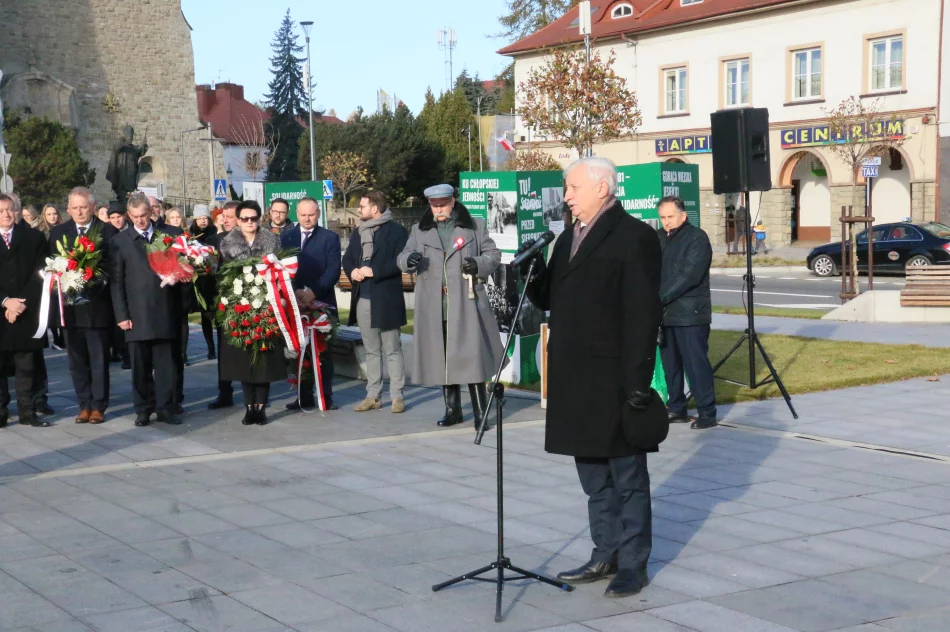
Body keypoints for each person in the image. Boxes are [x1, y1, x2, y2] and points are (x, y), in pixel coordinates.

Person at [524, 157, 665, 598]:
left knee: (627, 476)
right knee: (592, 476)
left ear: (602, 188)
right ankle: (604, 551)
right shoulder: (568, 236)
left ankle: (633, 564)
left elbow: (644, 314)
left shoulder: (635, 236)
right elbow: (551, 297)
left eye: (572, 188)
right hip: (573, 376)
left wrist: (639, 381)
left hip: (614, 377)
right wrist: (530, 271)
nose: (566, 196)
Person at [397, 184, 503, 431]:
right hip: (434, 305)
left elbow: (493, 255)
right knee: (443, 357)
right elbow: (402, 256)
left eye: (443, 204)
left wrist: (477, 263)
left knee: (472, 356)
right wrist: (407, 261)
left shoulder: (475, 226)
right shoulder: (419, 230)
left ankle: (480, 413)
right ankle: (453, 410)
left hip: (466, 303)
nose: (439, 209)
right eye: (434, 205)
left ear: (453, 201)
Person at [111, 193, 184, 427]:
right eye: (135, 217)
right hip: (137, 313)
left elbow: (186, 267)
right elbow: (117, 282)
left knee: (166, 366)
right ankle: (143, 409)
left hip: (164, 310)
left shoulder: (170, 236)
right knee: (140, 367)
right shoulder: (121, 241)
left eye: (143, 215)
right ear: (128, 216)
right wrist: (122, 315)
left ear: (151, 213)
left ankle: (165, 408)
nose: (140, 221)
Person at [49, 187, 118, 424]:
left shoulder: (107, 231)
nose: (79, 212)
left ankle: (98, 405)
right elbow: (52, 267)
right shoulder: (58, 233)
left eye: (83, 207)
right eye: (75, 208)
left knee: (98, 359)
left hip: (97, 306)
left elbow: (113, 267)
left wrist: (92, 278)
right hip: (69, 309)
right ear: (68, 209)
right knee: (76, 360)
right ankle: (84, 404)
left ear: (92, 207)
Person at [218, 201, 286, 425]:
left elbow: (280, 272)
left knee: (263, 358)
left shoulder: (272, 241)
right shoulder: (227, 244)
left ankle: (261, 406)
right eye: (245, 219)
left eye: (254, 218)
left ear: (260, 218)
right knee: (244, 359)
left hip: (266, 306)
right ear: (237, 220)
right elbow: (222, 276)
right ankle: (249, 406)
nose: (250, 222)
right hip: (239, 308)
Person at [342, 191, 408, 413]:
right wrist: (353, 272)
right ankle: (373, 395)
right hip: (363, 297)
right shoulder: (358, 232)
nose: (358, 210)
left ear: (375, 209)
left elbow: (400, 262)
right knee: (371, 350)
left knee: (392, 348)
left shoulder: (397, 231)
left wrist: (374, 271)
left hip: (386, 297)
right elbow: (348, 258)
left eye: (362, 206)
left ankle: (397, 396)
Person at [657, 196, 716, 430]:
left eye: (670, 216)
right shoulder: (659, 238)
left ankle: (707, 413)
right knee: (670, 365)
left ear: (683, 215)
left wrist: (658, 298)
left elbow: (689, 275)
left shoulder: (697, 238)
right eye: (662, 217)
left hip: (691, 314)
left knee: (695, 365)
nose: (667, 222)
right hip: (665, 314)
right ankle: (676, 408)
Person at [281, 197, 341, 411]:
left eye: (312, 214)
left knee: (323, 352)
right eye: (303, 214)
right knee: (299, 352)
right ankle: (302, 396)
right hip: (295, 302)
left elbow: (333, 270)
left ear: (318, 214)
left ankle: (326, 396)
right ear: (297, 214)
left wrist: (314, 292)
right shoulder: (286, 237)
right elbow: (282, 268)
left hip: (322, 303)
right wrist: (296, 291)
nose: (307, 218)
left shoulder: (330, 238)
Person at [0, 194, 51, 428]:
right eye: (1, 211)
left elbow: (42, 271)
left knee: (27, 366)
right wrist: (5, 301)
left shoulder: (34, 237)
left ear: (17, 211)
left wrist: (20, 303)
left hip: (27, 309)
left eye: (10, 210)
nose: (6, 215)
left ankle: (28, 412)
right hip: (1, 310)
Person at [206, 201, 239, 409]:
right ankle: (224, 391)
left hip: (245, 303)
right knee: (224, 351)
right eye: (223, 216)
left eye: (230, 216)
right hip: (221, 305)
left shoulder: (249, 240)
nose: (225, 219)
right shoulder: (214, 240)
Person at [189, 204, 218, 360]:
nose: (202, 221)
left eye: (204, 218)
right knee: (205, 314)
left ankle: (220, 343)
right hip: (201, 280)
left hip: (215, 278)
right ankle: (210, 347)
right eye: (199, 218)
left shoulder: (214, 234)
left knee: (217, 313)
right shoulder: (191, 236)